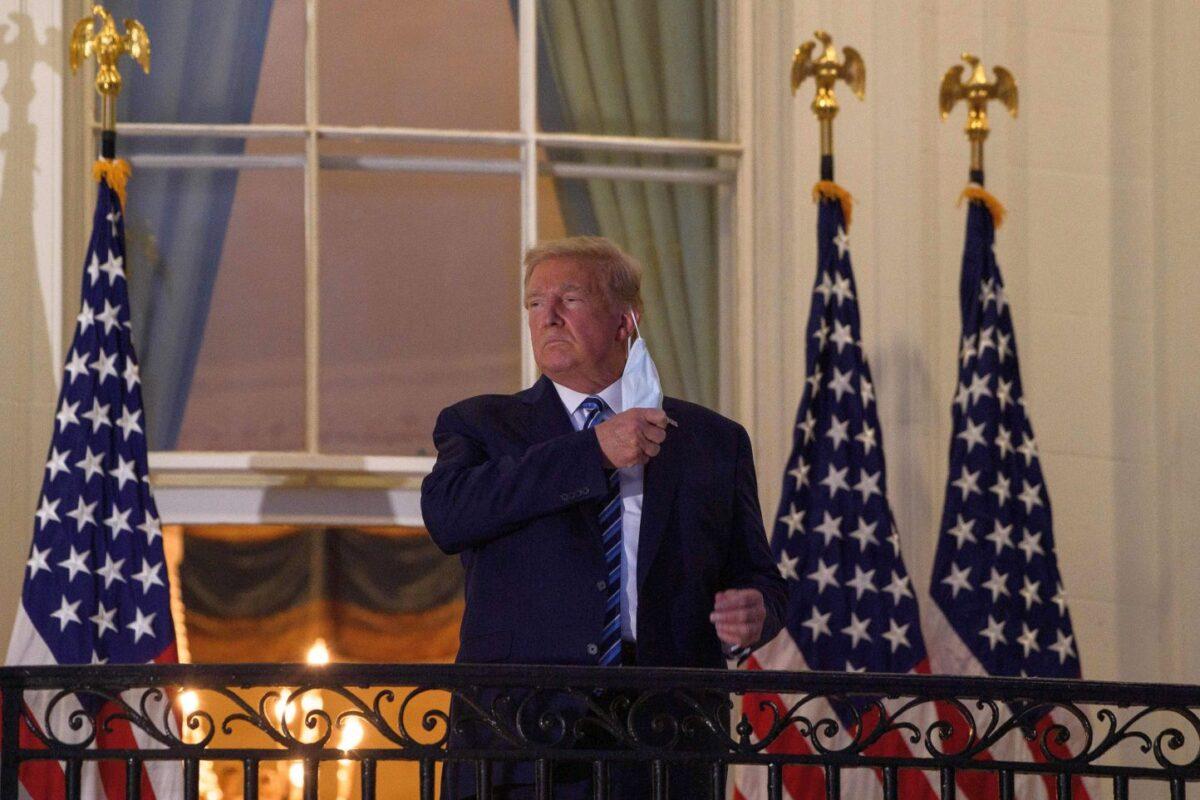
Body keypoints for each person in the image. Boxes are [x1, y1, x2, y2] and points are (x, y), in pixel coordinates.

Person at [421, 236, 786, 799]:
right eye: (535, 303)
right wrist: (593, 449)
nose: (548, 316)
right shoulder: (481, 425)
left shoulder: (714, 442)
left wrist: (758, 609)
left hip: (667, 737)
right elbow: (448, 516)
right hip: (521, 739)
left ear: (625, 322)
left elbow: (758, 575)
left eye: (569, 298)